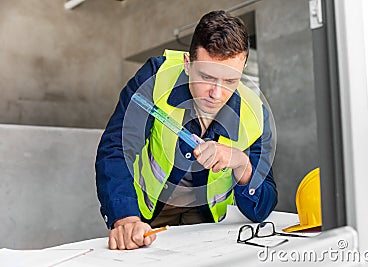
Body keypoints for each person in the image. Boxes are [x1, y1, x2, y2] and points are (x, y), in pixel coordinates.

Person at [95, 10, 277, 250]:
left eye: (231, 81)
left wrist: (242, 163)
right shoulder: (155, 78)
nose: (217, 94)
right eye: (207, 77)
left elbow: (263, 206)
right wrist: (125, 218)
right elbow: (116, 148)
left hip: (211, 224)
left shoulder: (255, 113)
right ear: (188, 64)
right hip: (148, 215)